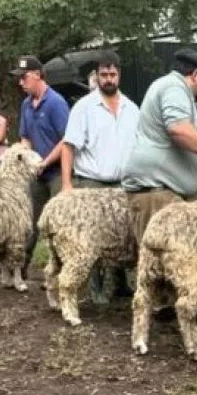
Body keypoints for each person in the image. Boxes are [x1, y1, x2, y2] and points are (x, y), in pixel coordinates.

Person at [121, 48, 197, 244]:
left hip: (161, 191)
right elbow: (179, 130)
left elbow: (183, 147)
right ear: (195, 74)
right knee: (164, 264)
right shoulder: (175, 87)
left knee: (172, 262)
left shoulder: (167, 87)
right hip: (156, 194)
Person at [60, 50, 140, 298]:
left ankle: (120, 284)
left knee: (121, 234)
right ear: (96, 76)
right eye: (104, 74)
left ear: (119, 75)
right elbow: (68, 145)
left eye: (112, 74)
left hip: (123, 183)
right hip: (91, 182)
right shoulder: (84, 107)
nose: (108, 79)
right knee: (91, 238)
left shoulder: (132, 108)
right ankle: (96, 291)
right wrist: (67, 184)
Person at [10, 54, 71, 278]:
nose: (21, 82)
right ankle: (20, 268)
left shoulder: (56, 103)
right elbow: (25, 138)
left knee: (57, 223)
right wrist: (24, 158)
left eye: (24, 77)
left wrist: (45, 162)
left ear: (37, 75)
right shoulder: (26, 104)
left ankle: (61, 271)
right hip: (36, 173)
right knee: (30, 222)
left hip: (55, 172)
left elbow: (66, 140)